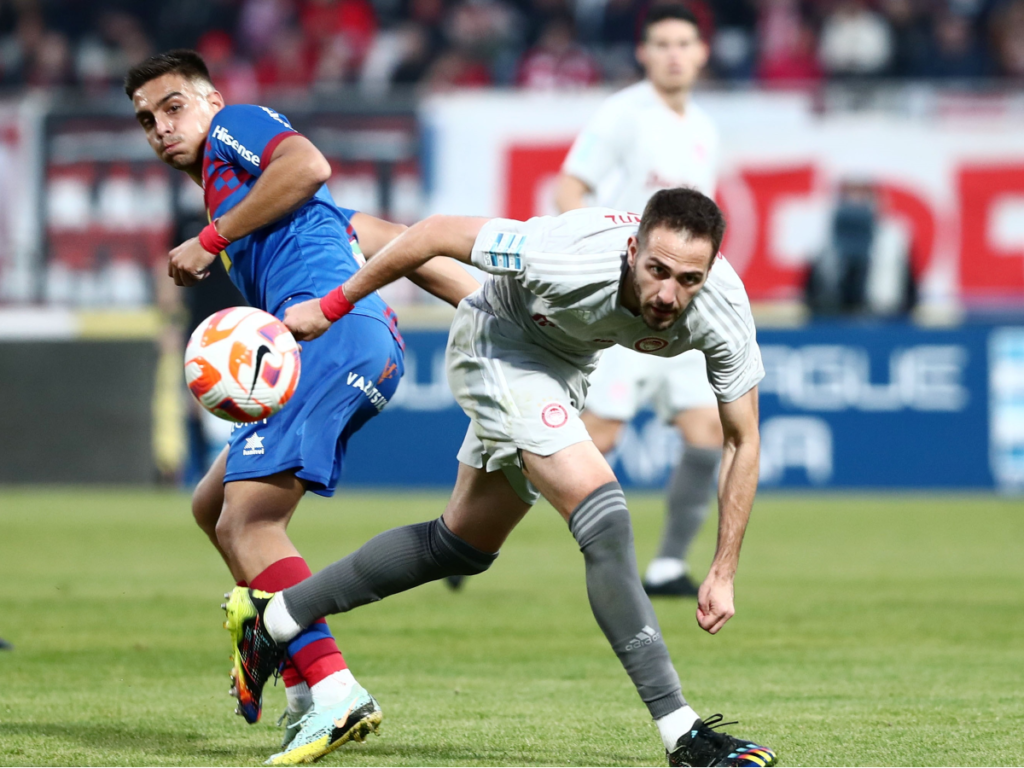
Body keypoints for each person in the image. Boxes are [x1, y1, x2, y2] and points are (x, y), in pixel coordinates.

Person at [221, 188, 777, 767]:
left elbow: (742, 439)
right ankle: (683, 735)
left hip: (564, 366)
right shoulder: (565, 254)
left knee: (459, 545)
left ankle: (274, 618)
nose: (667, 294)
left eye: (688, 279)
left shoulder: (724, 309)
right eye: (657, 270)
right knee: (605, 518)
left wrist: (723, 569)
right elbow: (435, 232)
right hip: (498, 344)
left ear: (709, 272)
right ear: (633, 250)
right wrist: (332, 305)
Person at [125, 49, 478, 764]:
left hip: (328, 337)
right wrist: (487, 307)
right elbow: (395, 242)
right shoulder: (265, 204)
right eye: (146, 120)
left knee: (251, 521)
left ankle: (335, 688)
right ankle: (297, 685)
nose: (161, 127)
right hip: (349, 343)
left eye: (173, 107)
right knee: (212, 504)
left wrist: (210, 239)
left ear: (212, 102)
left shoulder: (238, 131)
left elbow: (309, 164)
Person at [554, 3, 724, 598]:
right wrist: (597, 260)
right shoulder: (623, 114)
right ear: (643, 54)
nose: (674, 54)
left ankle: (668, 565)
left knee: (707, 429)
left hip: (680, 308)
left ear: (702, 53)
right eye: (662, 44)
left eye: (684, 43)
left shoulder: (704, 128)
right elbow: (569, 187)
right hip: (627, 304)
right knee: (597, 436)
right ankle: (472, 528)